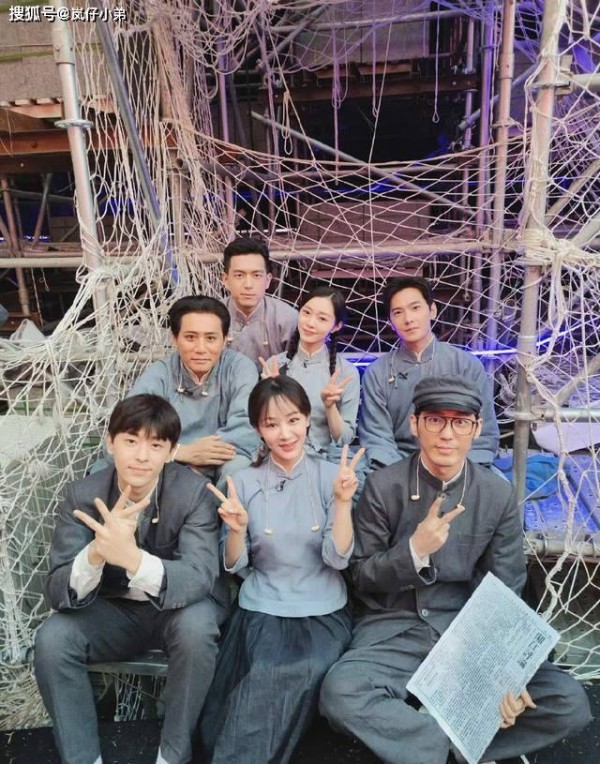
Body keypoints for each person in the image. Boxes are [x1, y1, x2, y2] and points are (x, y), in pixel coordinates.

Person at [319, 376, 591, 764]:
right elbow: (361, 575)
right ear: (415, 424)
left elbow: (507, 587)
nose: (447, 434)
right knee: (341, 693)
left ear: (476, 429)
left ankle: (429, 745)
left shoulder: (495, 493)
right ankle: (451, 744)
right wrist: (414, 551)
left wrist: (505, 671)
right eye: (435, 420)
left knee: (567, 701)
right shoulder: (383, 486)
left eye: (460, 422)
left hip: (467, 634)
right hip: (396, 629)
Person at [34, 394, 224, 764]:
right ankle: (83, 759)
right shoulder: (83, 494)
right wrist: (95, 554)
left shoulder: (192, 494)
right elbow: (57, 589)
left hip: (176, 611)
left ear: (171, 452)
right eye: (131, 441)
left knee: (197, 628)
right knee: (53, 639)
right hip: (113, 613)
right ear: (111, 442)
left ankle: (172, 756)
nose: (141, 456)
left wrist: (133, 559)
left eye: (155, 445)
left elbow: (199, 576)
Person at [198, 376, 364, 764]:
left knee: (304, 668)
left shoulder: (331, 476)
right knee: (265, 669)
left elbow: (337, 559)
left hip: (322, 608)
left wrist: (343, 503)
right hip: (263, 608)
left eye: (292, 420)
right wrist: (236, 530)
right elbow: (234, 563)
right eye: (271, 424)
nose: (285, 434)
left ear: (307, 419)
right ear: (258, 429)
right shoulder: (242, 481)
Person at [358, 276, 499, 472]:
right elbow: (377, 438)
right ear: (390, 321)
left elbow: (484, 434)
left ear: (432, 310)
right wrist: (402, 477)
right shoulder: (377, 372)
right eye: (398, 312)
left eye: (415, 308)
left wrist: (456, 472)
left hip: (457, 462)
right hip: (399, 465)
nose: (408, 319)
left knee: (500, 487)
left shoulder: (466, 364)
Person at [128, 295, 259, 489]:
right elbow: (128, 430)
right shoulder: (159, 374)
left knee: (238, 470)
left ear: (225, 340)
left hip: (227, 455)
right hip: (175, 459)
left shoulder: (240, 368)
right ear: (174, 339)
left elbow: (245, 426)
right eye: (190, 337)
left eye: (211, 338)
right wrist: (180, 452)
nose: (200, 348)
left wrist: (204, 458)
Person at [261, 285, 360, 463]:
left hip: (326, 461)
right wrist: (272, 394)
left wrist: (330, 407)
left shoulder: (346, 372)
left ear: (336, 326)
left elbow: (344, 439)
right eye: (306, 313)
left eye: (322, 318)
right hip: (281, 456)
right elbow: (262, 426)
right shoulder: (274, 365)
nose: (310, 323)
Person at [222, 236, 298, 367]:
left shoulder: (288, 319)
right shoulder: (211, 317)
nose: (248, 285)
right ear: (225, 280)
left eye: (256, 275)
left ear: (267, 280)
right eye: (239, 275)